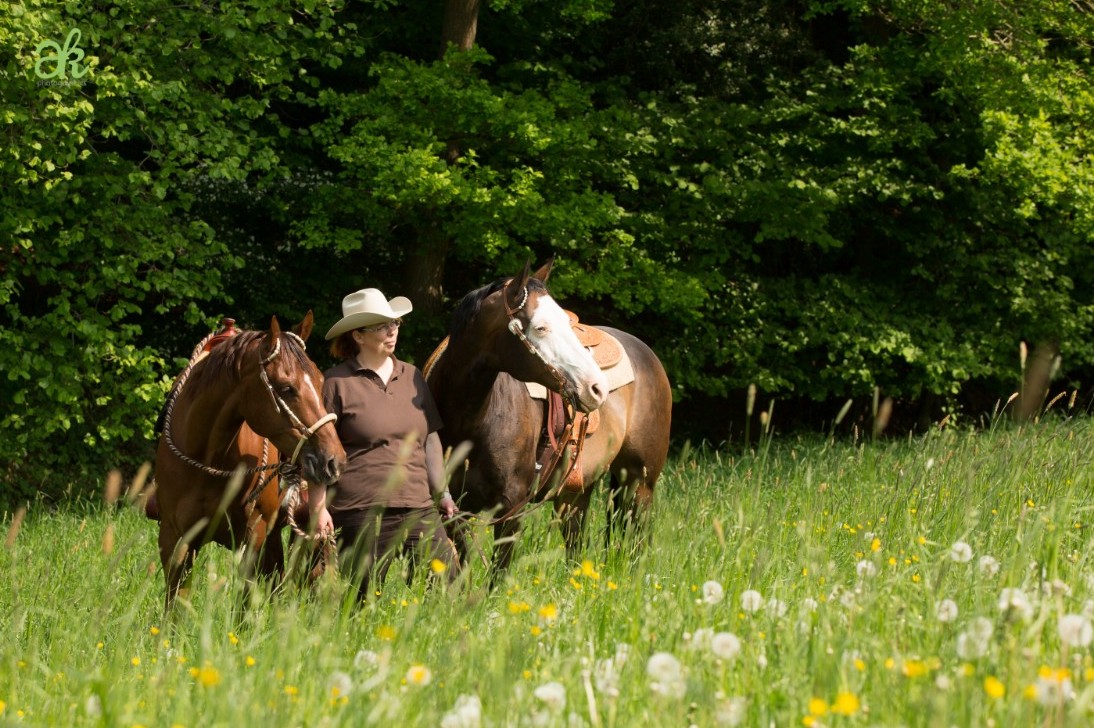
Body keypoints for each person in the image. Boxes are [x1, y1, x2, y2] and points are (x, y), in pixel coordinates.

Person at [313, 288, 459, 598]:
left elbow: (430, 439)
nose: (391, 330)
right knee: (359, 600)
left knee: (448, 588)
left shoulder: (413, 376)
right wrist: (318, 508)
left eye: (394, 323)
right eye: (381, 326)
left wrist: (443, 492)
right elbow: (319, 450)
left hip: (418, 506)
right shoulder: (336, 382)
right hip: (360, 508)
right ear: (358, 336)